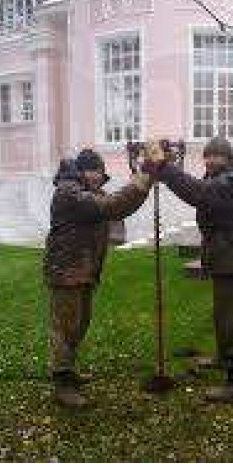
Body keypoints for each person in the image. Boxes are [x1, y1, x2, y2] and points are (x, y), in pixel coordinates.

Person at [144, 136, 233, 402]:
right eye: (207, 156)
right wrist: (166, 169)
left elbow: (198, 194)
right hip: (224, 254)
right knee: (222, 314)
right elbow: (194, 190)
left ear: (228, 159)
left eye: (216, 156)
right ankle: (222, 358)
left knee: (228, 318)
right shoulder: (217, 180)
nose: (209, 160)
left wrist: (165, 167)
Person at [43, 149, 153, 408]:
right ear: (81, 172)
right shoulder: (69, 194)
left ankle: (69, 370)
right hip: (67, 272)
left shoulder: (90, 194)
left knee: (79, 325)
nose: (98, 176)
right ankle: (62, 383)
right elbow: (113, 206)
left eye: (100, 172)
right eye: (93, 171)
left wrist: (141, 180)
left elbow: (117, 206)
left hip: (84, 271)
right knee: (66, 327)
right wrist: (142, 180)